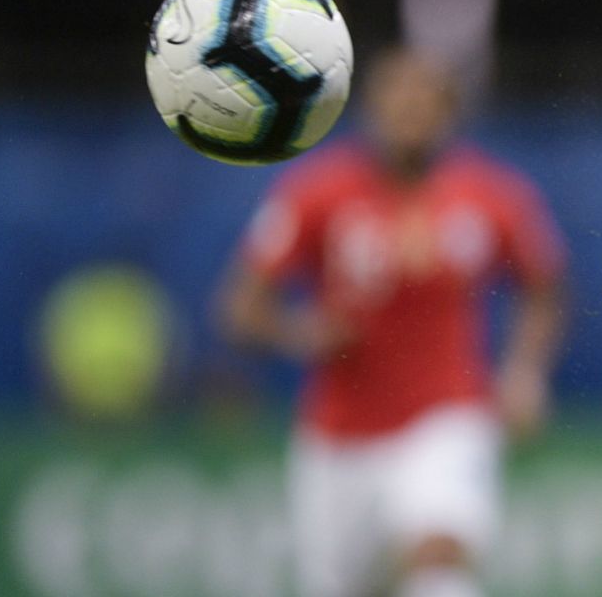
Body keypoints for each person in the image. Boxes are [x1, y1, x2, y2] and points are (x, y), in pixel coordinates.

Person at [219, 45, 568, 597]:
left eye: (425, 101)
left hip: (448, 417)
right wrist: (299, 332)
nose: (411, 112)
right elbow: (240, 307)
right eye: (398, 99)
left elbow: (545, 287)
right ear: (370, 109)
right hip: (338, 439)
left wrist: (525, 372)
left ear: (449, 113)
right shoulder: (317, 192)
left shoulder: (492, 195)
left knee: (438, 556)